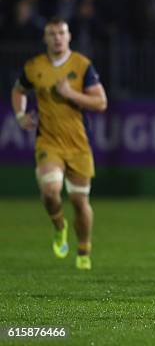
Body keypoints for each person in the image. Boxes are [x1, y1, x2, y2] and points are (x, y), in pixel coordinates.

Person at [11, 16, 108, 270]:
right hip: (48, 141)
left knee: (79, 202)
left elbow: (100, 103)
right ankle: (59, 226)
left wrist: (70, 94)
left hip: (77, 144)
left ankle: (84, 249)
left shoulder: (82, 65)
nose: (57, 38)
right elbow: (18, 90)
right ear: (45, 38)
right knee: (50, 191)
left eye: (61, 33)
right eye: (52, 34)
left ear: (69, 37)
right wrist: (21, 115)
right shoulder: (35, 67)